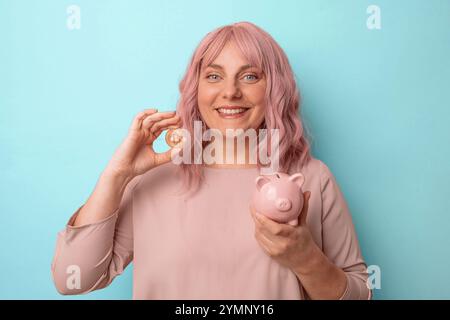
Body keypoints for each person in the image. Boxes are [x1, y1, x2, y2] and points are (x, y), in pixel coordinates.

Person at [51, 21, 372, 300]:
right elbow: (72, 279)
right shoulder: (154, 179)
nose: (230, 92)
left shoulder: (311, 179)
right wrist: (116, 174)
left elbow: (358, 294)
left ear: (274, 89)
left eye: (249, 77)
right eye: (214, 76)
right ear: (196, 89)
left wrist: (306, 259)